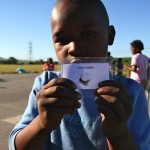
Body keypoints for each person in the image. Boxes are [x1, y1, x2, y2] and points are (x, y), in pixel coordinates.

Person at [9, 0, 150, 150]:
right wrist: (42, 123)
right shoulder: (45, 86)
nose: (74, 48)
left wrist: (118, 133)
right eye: (62, 40)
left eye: (87, 34)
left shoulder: (131, 93)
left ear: (110, 36)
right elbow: (15, 146)